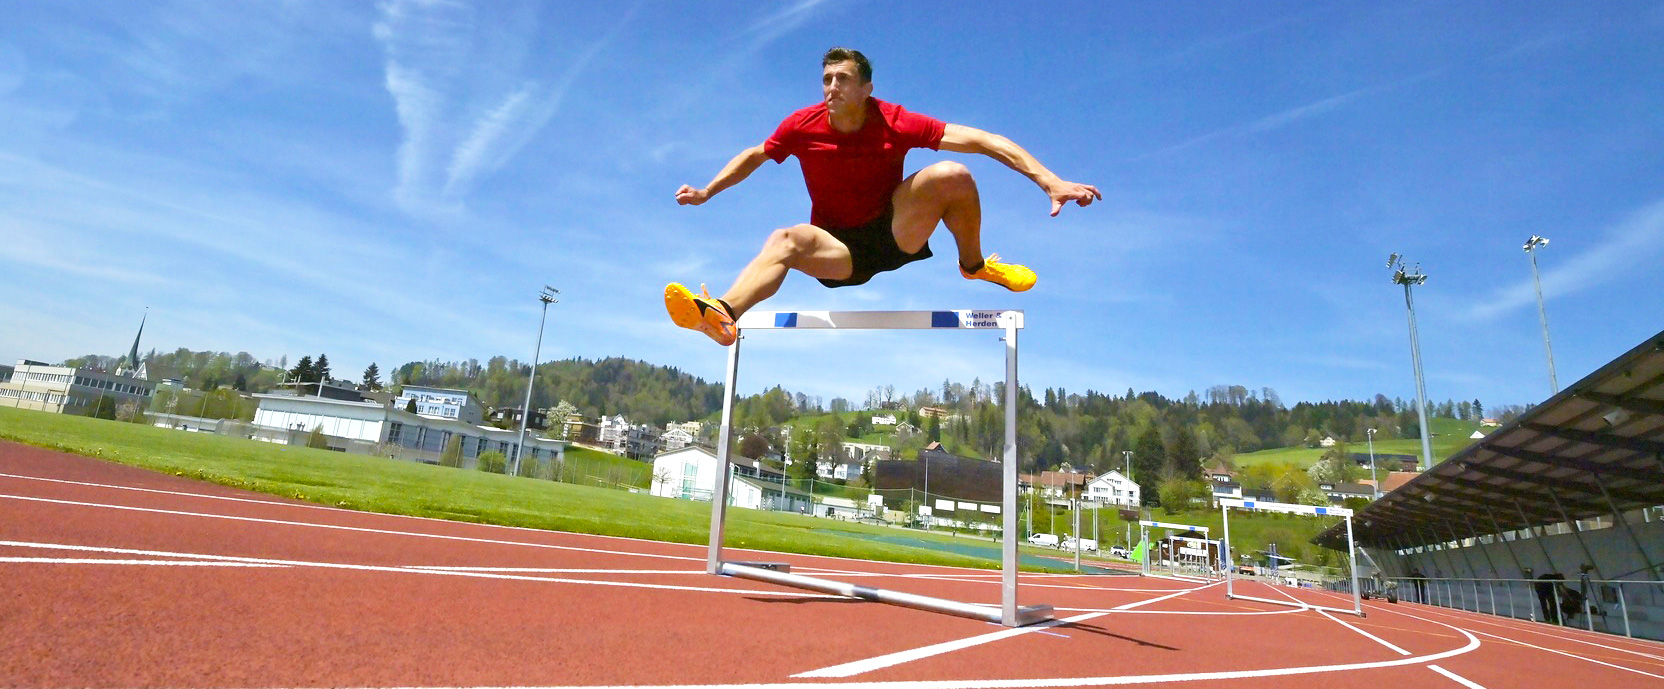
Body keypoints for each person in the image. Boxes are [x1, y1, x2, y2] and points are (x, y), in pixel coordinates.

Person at [665, 47, 1101, 345]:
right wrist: (707, 191)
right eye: (826, 79)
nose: (831, 87)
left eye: (842, 79)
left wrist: (1048, 180)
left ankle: (975, 266)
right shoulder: (801, 125)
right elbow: (754, 155)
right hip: (838, 251)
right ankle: (721, 315)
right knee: (785, 240)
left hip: (895, 233)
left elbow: (983, 140)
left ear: (866, 89)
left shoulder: (895, 121)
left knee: (953, 173)